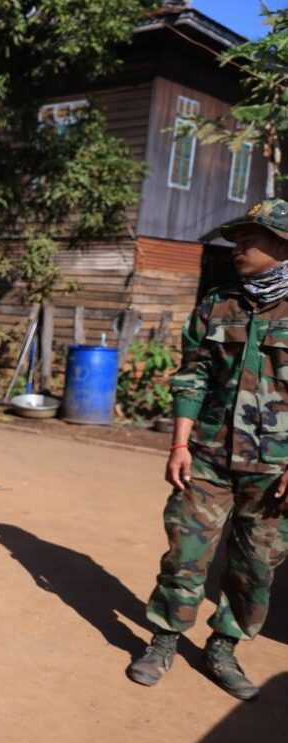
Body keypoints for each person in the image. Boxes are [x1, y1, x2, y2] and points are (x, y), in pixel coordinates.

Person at [128, 198, 288, 701]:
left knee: (254, 567)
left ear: (282, 244)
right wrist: (179, 442)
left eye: (249, 239)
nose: (237, 248)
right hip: (208, 456)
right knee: (185, 554)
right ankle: (164, 639)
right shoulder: (218, 303)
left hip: (274, 468)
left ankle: (224, 648)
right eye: (235, 239)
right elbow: (193, 375)